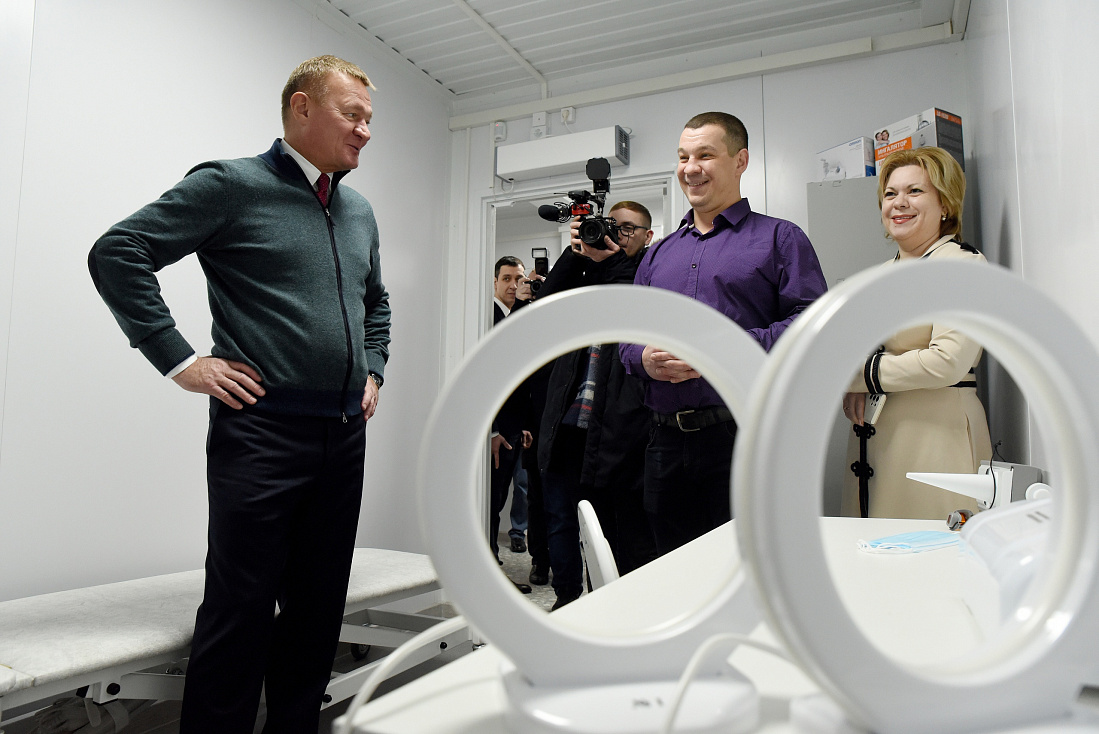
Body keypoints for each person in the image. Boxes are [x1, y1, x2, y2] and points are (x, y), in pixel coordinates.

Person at [88, 56, 389, 733]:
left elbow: (376, 301)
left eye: (370, 120)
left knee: (318, 610)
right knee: (240, 608)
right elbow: (119, 252)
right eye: (352, 115)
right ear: (302, 107)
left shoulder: (359, 210)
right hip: (261, 432)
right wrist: (181, 361)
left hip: (343, 436)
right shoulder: (232, 185)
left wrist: (373, 369)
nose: (365, 131)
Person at [620, 112, 827, 555]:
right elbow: (627, 338)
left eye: (705, 155)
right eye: (683, 157)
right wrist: (644, 358)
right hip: (664, 444)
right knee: (673, 568)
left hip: (743, 437)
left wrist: (726, 350)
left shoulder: (780, 239)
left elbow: (811, 324)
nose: (690, 168)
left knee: (749, 565)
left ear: (740, 161)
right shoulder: (657, 255)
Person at [842, 146, 992, 520]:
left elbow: (947, 362)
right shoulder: (878, 276)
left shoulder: (961, 266)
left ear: (945, 205)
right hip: (874, 444)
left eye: (915, 191)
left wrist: (859, 375)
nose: (899, 203)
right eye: (890, 194)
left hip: (936, 439)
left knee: (934, 548)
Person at [537, 201, 659, 609]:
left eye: (628, 229)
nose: (617, 236)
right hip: (567, 422)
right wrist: (575, 256)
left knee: (614, 530)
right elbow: (543, 307)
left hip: (618, 429)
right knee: (562, 519)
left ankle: (615, 608)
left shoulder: (651, 274)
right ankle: (568, 600)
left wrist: (608, 263)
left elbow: (631, 302)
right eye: (612, 227)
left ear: (647, 236)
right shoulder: (585, 274)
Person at [489, 256, 534, 593]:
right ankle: (489, 570)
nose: (513, 285)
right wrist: (491, 431)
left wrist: (526, 425)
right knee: (490, 502)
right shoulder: (485, 317)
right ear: (495, 282)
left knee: (506, 494)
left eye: (518, 278)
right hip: (495, 432)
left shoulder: (521, 315)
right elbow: (486, 377)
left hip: (517, 428)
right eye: (506, 278)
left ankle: (492, 564)